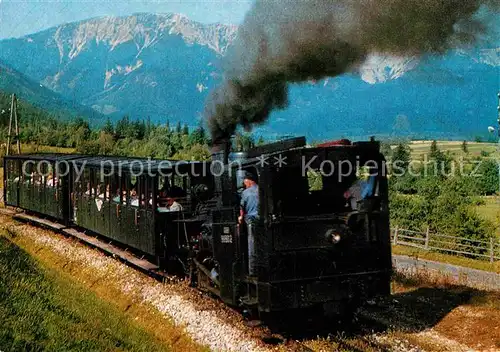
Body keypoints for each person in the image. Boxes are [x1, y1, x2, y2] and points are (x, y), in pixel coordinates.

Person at [238, 172, 259, 277]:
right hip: (262, 219)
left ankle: (252, 271)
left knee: (251, 244)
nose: (244, 184)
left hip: (251, 220)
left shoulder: (245, 193)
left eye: (245, 182)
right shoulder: (261, 189)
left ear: (249, 181)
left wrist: (240, 218)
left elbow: (242, 208)